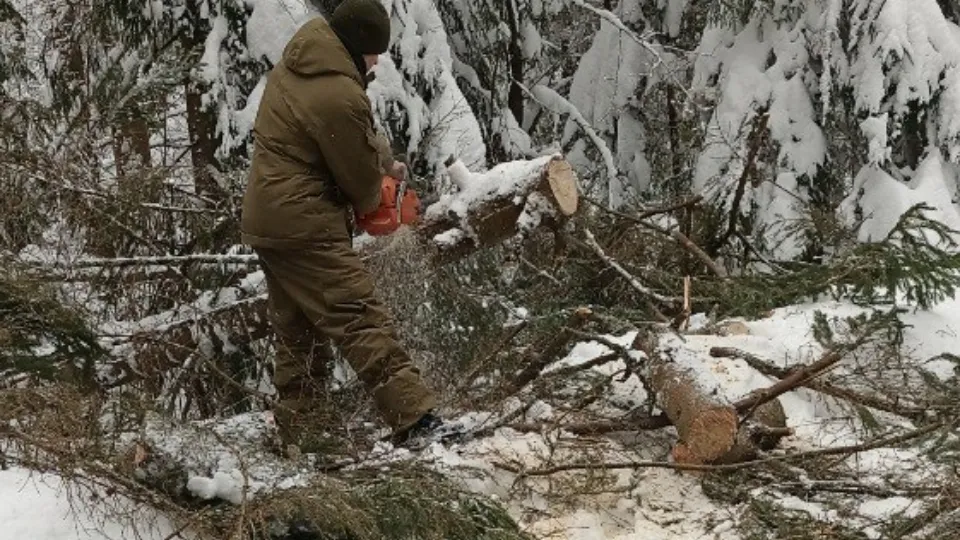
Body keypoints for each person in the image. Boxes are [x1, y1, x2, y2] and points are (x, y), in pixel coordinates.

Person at [239, 0, 443, 454]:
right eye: (374, 52)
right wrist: (382, 188)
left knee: (299, 331)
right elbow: (359, 178)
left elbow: (352, 139)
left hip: (269, 219)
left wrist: (386, 163)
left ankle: (307, 435)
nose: (377, 61)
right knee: (357, 315)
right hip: (304, 222)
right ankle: (416, 419)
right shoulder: (337, 92)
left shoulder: (305, 66)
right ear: (356, 44)